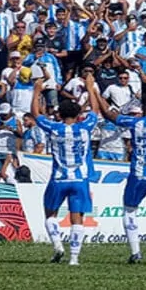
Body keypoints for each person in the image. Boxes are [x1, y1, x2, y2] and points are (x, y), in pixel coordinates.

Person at [86, 71, 146, 266]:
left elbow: (109, 114)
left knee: (130, 210)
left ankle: (136, 252)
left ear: (143, 108)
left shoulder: (136, 122)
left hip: (139, 174)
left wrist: (96, 92)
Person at [32, 77, 98, 265]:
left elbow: (35, 114)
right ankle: (74, 258)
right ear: (79, 115)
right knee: (77, 218)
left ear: (59, 114)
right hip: (80, 179)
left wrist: (37, 91)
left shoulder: (54, 128)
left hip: (59, 178)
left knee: (50, 213)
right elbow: (95, 110)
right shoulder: (85, 127)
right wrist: (90, 89)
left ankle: (58, 246)